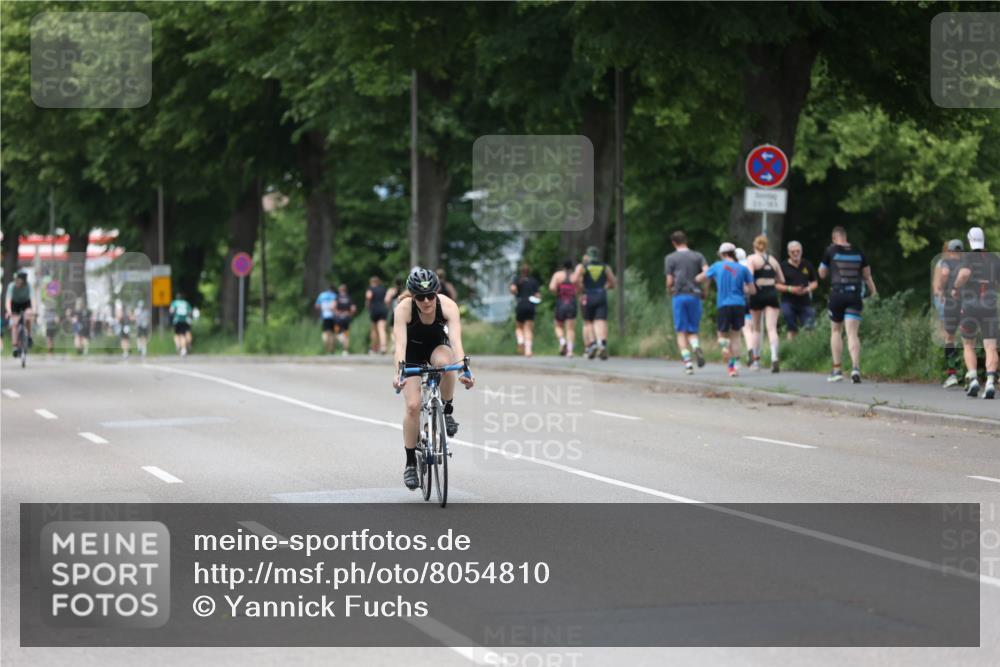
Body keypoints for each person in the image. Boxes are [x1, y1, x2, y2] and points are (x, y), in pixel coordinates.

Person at [392, 268, 475, 490]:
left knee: (447, 364)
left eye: (430, 295)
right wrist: (399, 373)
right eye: (420, 297)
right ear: (413, 296)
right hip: (411, 353)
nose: (427, 301)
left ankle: (446, 410)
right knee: (412, 406)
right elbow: (400, 346)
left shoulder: (447, 306)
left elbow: (456, 342)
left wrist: (464, 371)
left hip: (437, 346)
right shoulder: (403, 309)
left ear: (436, 292)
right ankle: (411, 463)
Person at [818, 226, 877, 383]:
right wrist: (873, 291)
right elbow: (867, 275)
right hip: (854, 296)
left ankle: (837, 370)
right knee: (852, 333)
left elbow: (821, 273)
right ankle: (855, 368)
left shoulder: (830, 250)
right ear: (845, 237)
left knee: (836, 331)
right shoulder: (858, 251)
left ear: (834, 238)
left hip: (837, 295)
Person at [952, 227, 1000, 399]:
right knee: (990, 346)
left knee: (968, 344)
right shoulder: (994, 259)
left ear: (969, 239)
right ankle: (990, 382)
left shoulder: (967, 257)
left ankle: (973, 379)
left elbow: (964, 274)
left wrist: (956, 288)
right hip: (990, 308)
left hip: (970, 308)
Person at [696, 242, 756, 377]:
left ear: (722, 254)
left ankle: (724, 347)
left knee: (721, 335)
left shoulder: (717, 266)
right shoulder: (743, 269)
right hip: (739, 304)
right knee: (736, 337)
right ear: (734, 253)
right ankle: (733, 368)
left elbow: (701, 277)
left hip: (723, 304)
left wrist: (697, 278)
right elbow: (752, 290)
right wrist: (741, 288)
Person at [664, 230, 708, 374]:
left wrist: (669, 289)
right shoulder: (698, 256)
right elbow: (707, 273)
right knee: (692, 329)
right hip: (694, 295)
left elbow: (669, 280)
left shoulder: (670, 258)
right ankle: (695, 347)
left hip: (679, 296)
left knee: (681, 331)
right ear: (686, 240)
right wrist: (704, 290)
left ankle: (688, 364)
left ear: (674, 243)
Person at [746, 235, 786, 373]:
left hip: (757, 294)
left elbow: (749, 277)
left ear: (754, 245)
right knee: (772, 328)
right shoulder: (773, 260)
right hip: (771, 294)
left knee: (756, 329)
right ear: (766, 246)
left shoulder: (752, 259)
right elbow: (782, 280)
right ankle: (774, 358)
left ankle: (756, 361)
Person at [576, 245, 617, 360]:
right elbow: (613, 283)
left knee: (588, 321)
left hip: (587, 295)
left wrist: (581, 288)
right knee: (601, 321)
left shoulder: (583, 267)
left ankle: (593, 344)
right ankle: (602, 344)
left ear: (587, 255)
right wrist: (605, 287)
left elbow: (575, 279)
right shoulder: (605, 267)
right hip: (601, 295)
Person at [934, 239, 965, 388]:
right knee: (968, 339)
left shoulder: (945, 262)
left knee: (949, 337)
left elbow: (945, 274)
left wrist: (941, 288)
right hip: (966, 303)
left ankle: (952, 373)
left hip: (951, 303)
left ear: (950, 251)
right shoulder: (967, 263)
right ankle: (969, 373)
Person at [779, 240, 818, 341]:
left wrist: (807, 289)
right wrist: (790, 289)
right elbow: (776, 284)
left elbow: (814, 282)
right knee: (792, 328)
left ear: (801, 251)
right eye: (793, 252)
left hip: (805, 302)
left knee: (810, 328)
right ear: (788, 253)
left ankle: (809, 348)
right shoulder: (783, 266)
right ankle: (791, 348)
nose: (796, 253)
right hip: (788, 301)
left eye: (798, 251)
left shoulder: (807, 265)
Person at [549, 259, 579, 357]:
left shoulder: (558, 275)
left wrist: (558, 292)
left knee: (558, 326)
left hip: (561, 302)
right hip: (572, 303)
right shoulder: (575, 276)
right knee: (570, 329)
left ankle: (562, 341)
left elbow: (552, 287)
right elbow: (579, 288)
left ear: (563, 266)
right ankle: (570, 351)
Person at [510, 264, 541, 357]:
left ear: (521, 271)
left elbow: (513, 289)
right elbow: (538, 295)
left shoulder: (517, 280)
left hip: (521, 304)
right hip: (530, 305)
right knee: (528, 329)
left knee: (519, 327)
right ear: (529, 271)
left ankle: (520, 341)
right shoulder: (533, 281)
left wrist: (516, 292)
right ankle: (528, 350)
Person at [4, 271, 33, 357]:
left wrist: (34, 311)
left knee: (28, 317)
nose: (17, 283)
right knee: (14, 323)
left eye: (19, 281)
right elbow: (8, 301)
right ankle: (15, 346)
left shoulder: (29, 286)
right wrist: (9, 312)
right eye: (16, 281)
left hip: (26, 303)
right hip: (15, 304)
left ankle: (29, 336)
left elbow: (33, 300)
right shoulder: (11, 286)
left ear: (24, 282)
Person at [736, 248, 754, 365]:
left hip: (739, 299)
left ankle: (736, 357)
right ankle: (751, 350)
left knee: (736, 331)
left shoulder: (733, 267)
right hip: (751, 299)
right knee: (749, 329)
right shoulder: (749, 264)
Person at [366, 276, 389, 354]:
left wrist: (368, 306)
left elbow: (368, 297)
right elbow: (387, 300)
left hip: (374, 310)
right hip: (383, 310)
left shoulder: (370, 289)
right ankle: (383, 347)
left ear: (372, 282)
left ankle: (374, 348)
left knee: (374, 330)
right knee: (382, 329)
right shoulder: (383, 289)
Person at [333, 283, 357, 355]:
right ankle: (345, 350)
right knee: (346, 334)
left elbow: (332, 306)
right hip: (347, 317)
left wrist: (336, 312)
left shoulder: (337, 297)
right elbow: (353, 309)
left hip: (339, 318)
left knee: (337, 332)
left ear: (339, 290)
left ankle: (341, 339)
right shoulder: (349, 297)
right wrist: (350, 314)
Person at [168, 291, 194, 356]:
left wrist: (171, 320)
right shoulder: (186, 303)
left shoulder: (174, 303)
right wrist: (190, 320)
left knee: (177, 334)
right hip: (185, 321)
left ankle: (179, 346)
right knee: (184, 334)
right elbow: (190, 313)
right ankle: (184, 347)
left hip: (177, 321)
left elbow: (171, 312)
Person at [315, 283, 338, 354]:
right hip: (333, 317)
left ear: (328, 289)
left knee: (325, 332)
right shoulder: (335, 296)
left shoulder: (321, 295)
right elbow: (336, 306)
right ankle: (331, 349)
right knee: (332, 333)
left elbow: (316, 306)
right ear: (333, 289)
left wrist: (323, 309)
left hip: (324, 316)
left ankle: (326, 347)